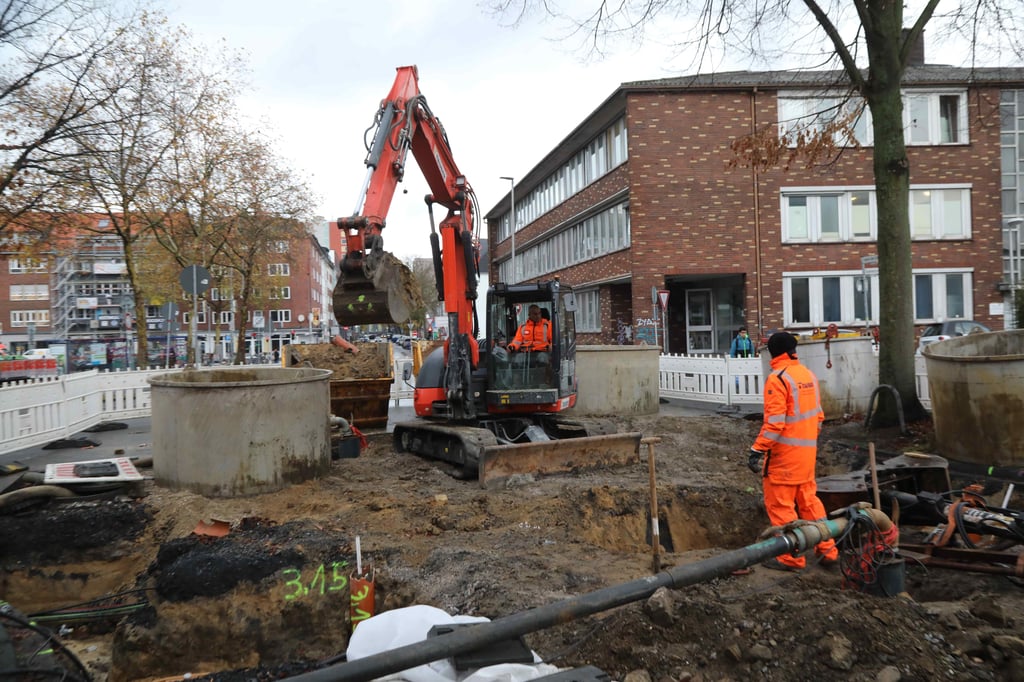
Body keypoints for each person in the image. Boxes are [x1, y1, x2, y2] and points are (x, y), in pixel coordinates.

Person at [748, 331, 839, 572]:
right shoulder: (807, 375)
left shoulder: (777, 379)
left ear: (773, 351)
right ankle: (828, 549)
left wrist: (757, 449)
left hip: (784, 458)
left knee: (781, 507)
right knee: (810, 503)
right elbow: (818, 417)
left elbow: (775, 423)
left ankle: (790, 558)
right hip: (806, 456)